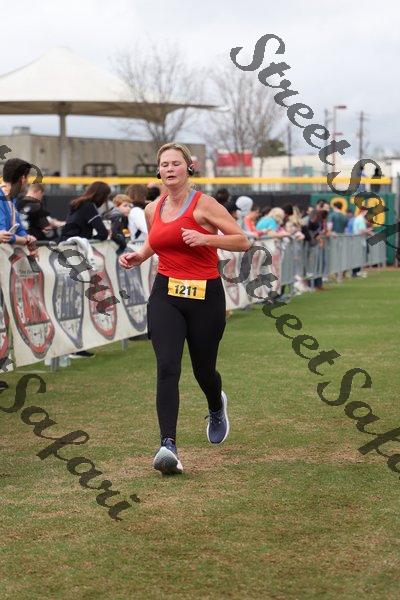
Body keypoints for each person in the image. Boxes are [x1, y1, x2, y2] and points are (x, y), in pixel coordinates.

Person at [119, 142, 250, 475]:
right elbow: (157, 241)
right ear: (158, 171)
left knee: (204, 371)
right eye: (164, 164)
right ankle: (168, 446)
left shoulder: (205, 204)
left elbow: (242, 240)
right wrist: (140, 255)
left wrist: (207, 239)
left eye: (176, 163)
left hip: (205, 296)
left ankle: (216, 405)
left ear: (189, 167)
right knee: (167, 366)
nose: (170, 169)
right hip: (166, 293)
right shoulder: (153, 208)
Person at [60, 181, 110, 358]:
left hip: (63, 255)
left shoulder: (76, 204)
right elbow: (103, 233)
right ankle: (74, 347)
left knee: (70, 303)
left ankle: (72, 346)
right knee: (78, 303)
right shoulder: (89, 206)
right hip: (76, 258)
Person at [0, 158, 37, 250]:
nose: (27, 182)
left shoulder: (12, 198)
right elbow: (5, 236)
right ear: (22, 178)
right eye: (27, 178)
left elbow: (18, 228)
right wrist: (26, 241)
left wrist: (27, 237)